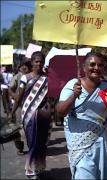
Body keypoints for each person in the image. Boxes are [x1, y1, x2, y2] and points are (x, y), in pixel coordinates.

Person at [10, 51, 52, 179]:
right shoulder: (25, 78)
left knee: (42, 143)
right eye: (36, 61)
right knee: (32, 142)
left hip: (44, 115)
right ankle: (30, 170)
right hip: (29, 115)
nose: (39, 64)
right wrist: (11, 113)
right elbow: (19, 98)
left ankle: (38, 167)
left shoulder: (47, 78)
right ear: (32, 62)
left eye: (41, 61)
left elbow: (52, 97)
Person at [8, 59, 32, 155]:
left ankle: (32, 147)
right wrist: (15, 96)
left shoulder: (33, 76)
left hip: (30, 107)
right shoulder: (17, 76)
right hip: (19, 107)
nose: (25, 67)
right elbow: (9, 88)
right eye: (23, 65)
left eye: (27, 65)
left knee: (30, 129)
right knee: (17, 129)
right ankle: (19, 148)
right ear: (19, 67)